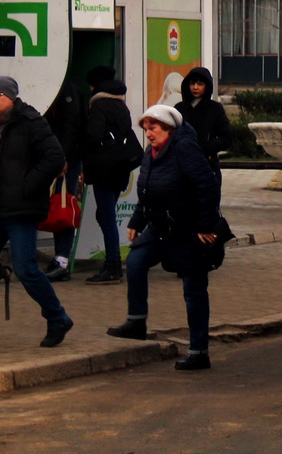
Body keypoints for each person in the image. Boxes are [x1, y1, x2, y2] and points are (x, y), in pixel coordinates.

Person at [107, 105, 220, 371]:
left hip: (188, 230)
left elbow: (207, 185)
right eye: (145, 128)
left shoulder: (185, 150)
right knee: (135, 262)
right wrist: (136, 221)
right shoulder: (151, 152)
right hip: (160, 228)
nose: (148, 133)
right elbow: (147, 191)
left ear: (168, 129)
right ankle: (136, 322)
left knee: (193, 290)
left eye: (153, 127)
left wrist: (205, 225)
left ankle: (199, 351)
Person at [0, 76, 73, 348]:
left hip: (19, 211)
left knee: (25, 267)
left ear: (11, 97)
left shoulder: (31, 122)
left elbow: (54, 157)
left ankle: (57, 318)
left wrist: (26, 186)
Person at [80, 66, 138, 284]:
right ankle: (112, 263)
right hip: (120, 167)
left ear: (95, 85)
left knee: (106, 217)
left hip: (104, 168)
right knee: (106, 215)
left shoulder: (99, 105)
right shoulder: (120, 104)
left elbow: (94, 136)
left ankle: (113, 266)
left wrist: (81, 150)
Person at [43, 77, 85, 282]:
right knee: (56, 208)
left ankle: (61, 261)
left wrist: (63, 158)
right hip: (55, 158)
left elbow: (70, 126)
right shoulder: (54, 88)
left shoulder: (66, 90)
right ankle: (60, 259)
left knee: (62, 208)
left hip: (63, 161)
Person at [174, 67, 232, 177]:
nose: (195, 87)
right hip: (182, 166)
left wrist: (206, 147)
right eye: (192, 83)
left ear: (207, 86)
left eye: (200, 84)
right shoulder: (179, 108)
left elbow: (227, 137)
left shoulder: (215, 109)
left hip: (207, 165)